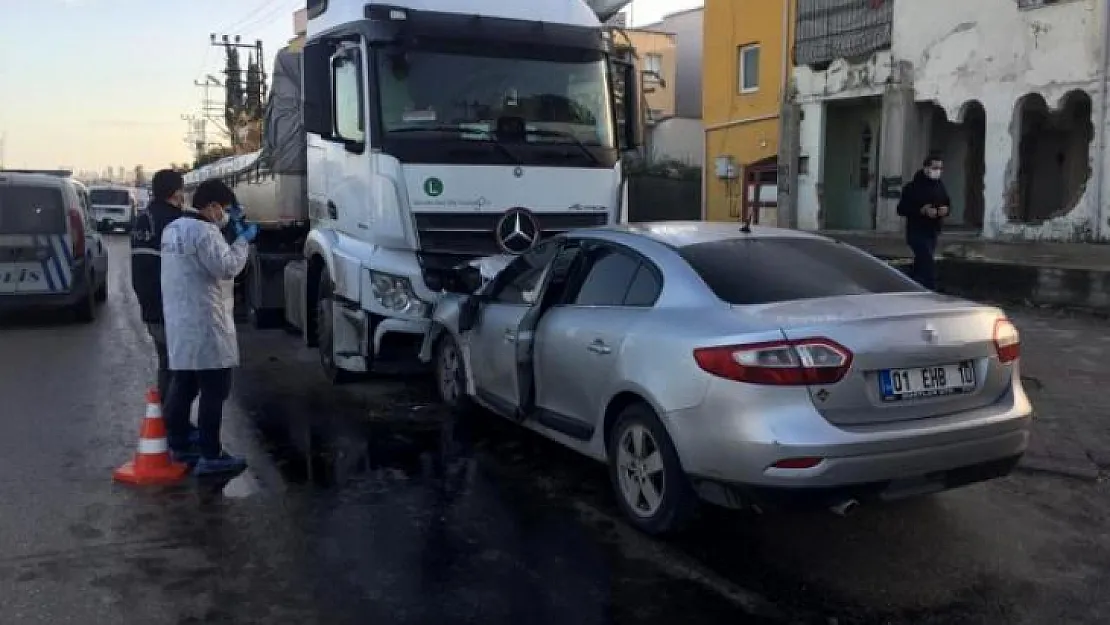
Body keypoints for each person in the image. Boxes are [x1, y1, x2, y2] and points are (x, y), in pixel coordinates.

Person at [161, 179, 258, 475]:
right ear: (212, 206)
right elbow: (226, 267)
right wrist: (243, 241)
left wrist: (229, 232)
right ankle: (211, 454)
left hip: (181, 321)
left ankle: (178, 443)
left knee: (185, 383)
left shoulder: (173, 228)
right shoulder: (205, 232)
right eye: (224, 209)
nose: (225, 215)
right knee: (215, 389)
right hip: (206, 322)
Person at [131, 169, 186, 404]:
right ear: (175, 192)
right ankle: (175, 423)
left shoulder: (144, 218)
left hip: (148, 302)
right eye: (182, 190)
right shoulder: (175, 222)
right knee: (179, 369)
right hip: (170, 306)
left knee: (167, 363)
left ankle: (166, 417)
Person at [897, 153, 951, 290]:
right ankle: (930, 289)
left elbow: (947, 202)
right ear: (926, 168)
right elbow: (901, 209)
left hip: (932, 231)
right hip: (916, 232)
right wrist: (922, 210)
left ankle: (909, 284)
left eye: (940, 168)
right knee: (927, 261)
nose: (937, 171)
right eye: (935, 167)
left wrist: (945, 210)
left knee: (921, 263)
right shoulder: (912, 187)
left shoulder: (940, 186)